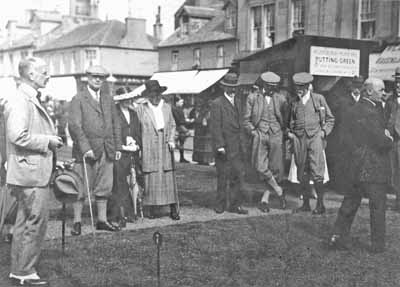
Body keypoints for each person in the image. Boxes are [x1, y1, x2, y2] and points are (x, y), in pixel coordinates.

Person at [4, 57, 63, 286]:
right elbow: (17, 135)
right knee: (34, 222)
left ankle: (20, 270)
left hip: (29, 170)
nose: (48, 75)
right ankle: (25, 271)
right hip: (30, 173)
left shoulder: (26, 98)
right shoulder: (21, 100)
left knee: (25, 221)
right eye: (44, 72)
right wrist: (48, 141)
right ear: (30, 74)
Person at [330, 78, 392, 253]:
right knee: (378, 205)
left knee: (350, 201)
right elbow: (381, 140)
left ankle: (338, 236)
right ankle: (377, 245)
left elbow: (345, 137)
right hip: (374, 166)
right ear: (369, 91)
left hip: (355, 164)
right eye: (381, 90)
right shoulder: (370, 111)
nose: (384, 93)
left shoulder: (357, 109)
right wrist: (389, 138)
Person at [68, 65, 122, 236]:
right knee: (80, 187)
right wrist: (86, 148)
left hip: (107, 149)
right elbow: (75, 126)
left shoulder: (108, 99)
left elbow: (116, 124)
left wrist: (118, 146)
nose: (98, 79)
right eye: (94, 76)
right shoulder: (78, 99)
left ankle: (102, 220)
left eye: (101, 77)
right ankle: (77, 222)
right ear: (88, 78)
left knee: (104, 186)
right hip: (86, 152)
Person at [132, 80, 180, 220]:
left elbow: (172, 125)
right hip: (148, 144)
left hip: (164, 143)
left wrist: (171, 139)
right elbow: (136, 128)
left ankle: (173, 208)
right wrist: (138, 146)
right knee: (151, 176)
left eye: (157, 93)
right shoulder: (141, 108)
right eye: (152, 94)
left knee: (167, 175)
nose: (155, 97)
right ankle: (151, 208)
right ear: (148, 95)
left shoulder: (166, 107)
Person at [288, 72, 335, 215]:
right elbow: (290, 122)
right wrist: (290, 134)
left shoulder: (319, 99)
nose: (299, 89)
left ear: (308, 86)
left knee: (317, 171)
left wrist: (323, 132)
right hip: (299, 139)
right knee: (302, 171)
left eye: (302, 87)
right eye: (297, 87)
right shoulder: (294, 102)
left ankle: (320, 205)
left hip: (315, 138)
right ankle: (306, 204)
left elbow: (330, 119)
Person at [243, 71, 287, 213]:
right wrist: (253, 132)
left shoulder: (281, 98)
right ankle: (279, 190)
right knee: (260, 166)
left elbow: (286, 118)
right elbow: (246, 120)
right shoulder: (252, 98)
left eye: (274, 86)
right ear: (263, 84)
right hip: (260, 134)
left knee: (275, 168)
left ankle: (265, 199)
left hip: (276, 135)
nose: (272, 89)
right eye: (269, 86)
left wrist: (283, 132)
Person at [210, 73, 248, 215]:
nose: (232, 90)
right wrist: (220, 145)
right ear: (224, 87)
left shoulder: (239, 102)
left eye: (235, 87)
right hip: (224, 147)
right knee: (223, 176)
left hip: (238, 146)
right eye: (230, 87)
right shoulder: (217, 103)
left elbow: (241, 124)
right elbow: (215, 127)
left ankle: (235, 205)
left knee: (237, 176)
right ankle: (220, 204)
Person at [108, 87, 140, 227]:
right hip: (119, 153)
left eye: (130, 98)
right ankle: (118, 214)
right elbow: (110, 133)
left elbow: (138, 131)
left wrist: (136, 143)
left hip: (132, 153)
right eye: (125, 98)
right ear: (120, 99)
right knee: (119, 183)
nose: (128, 100)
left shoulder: (133, 113)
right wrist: (120, 145)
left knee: (132, 182)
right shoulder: (113, 112)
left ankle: (130, 212)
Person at [386, 67, 400, 212]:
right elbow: (386, 118)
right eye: (396, 81)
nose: (398, 85)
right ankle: (398, 201)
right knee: (395, 171)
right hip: (393, 140)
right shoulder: (391, 99)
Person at [171, 95, 193, 163]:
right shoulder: (174, 109)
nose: (182, 103)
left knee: (181, 142)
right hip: (178, 126)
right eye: (181, 102)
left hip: (181, 126)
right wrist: (187, 121)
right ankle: (174, 157)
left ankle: (181, 157)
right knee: (175, 142)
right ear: (176, 102)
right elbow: (178, 120)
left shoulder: (180, 109)